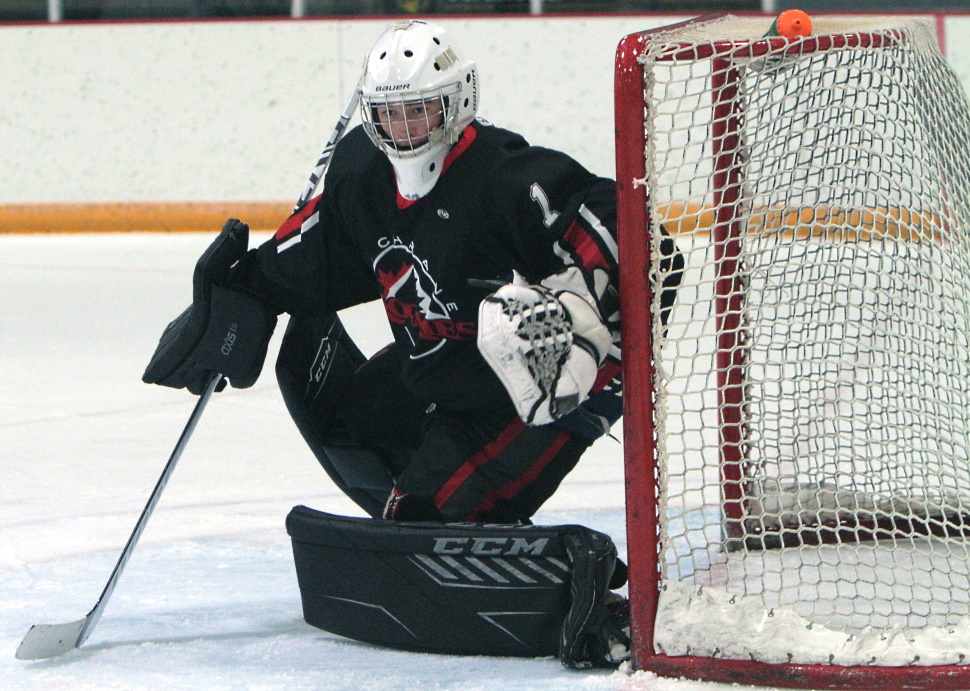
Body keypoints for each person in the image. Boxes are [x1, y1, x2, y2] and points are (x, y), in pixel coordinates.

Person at [144, 19, 680, 525]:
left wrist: (581, 309)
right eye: (388, 114)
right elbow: (320, 248)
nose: (402, 130)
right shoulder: (365, 177)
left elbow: (643, 245)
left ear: (458, 101)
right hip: (442, 374)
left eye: (419, 110)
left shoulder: (504, 178)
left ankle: (467, 522)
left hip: (529, 394)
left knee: (425, 515)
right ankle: (441, 497)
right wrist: (243, 295)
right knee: (351, 425)